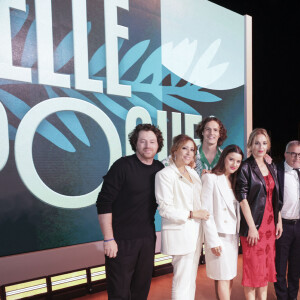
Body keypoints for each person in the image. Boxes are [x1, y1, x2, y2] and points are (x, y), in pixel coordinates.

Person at [96, 124, 164, 300]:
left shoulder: (160, 170)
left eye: (152, 141)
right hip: (120, 240)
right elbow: (103, 203)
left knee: (141, 289)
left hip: (147, 239)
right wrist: (108, 239)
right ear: (135, 143)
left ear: (158, 145)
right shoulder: (122, 166)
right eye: (143, 141)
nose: (147, 145)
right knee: (119, 292)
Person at [155, 134, 210, 300]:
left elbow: (197, 197)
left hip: (195, 233)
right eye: (184, 148)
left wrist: (206, 178)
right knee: (181, 279)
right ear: (175, 150)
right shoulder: (164, 174)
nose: (188, 152)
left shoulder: (192, 173)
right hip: (180, 233)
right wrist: (192, 214)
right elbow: (165, 209)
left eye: (192, 150)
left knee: (190, 278)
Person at [235, 128, 283, 300]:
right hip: (254, 227)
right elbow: (242, 199)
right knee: (253, 273)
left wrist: (278, 220)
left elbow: (275, 197)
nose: (260, 146)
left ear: (268, 145)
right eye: (256, 143)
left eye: (264, 143)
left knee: (265, 272)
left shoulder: (271, 166)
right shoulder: (246, 167)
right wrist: (251, 228)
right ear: (250, 145)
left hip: (270, 226)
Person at [201, 144, 244, 300]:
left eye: (238, 161)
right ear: (223, 158)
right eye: (231, 159)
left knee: (229, 276)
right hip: (218, 237)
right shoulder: (210, 178)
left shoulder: (235, 181)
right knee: (223, 278)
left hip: (233, 237)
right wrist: (213, 241)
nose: (234, 164)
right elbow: (207, 213)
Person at [274, 140, 300, 300]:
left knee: (296, 268)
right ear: (285, 154)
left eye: (299, 154)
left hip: (299, 226)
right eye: (293, 153)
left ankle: (293, 297)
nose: (296, 157)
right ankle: (282, 297)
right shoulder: (277, 171)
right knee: (280, 267)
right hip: (282, 226)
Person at [162, 116, 227, 177]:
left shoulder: (225, 157)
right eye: (208, 129)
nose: (211, 133)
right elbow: (164, 163)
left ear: (219, 134)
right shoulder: (190, 152)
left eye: (215, 130)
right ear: (202, 132)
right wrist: (183, 170)